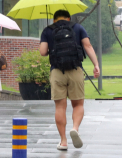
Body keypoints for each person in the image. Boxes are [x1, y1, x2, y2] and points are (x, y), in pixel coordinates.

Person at [39, 9, 100, 150]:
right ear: (68, 18)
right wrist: (96, 65)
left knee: (60, 106)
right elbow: (88, 46)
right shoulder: (77, 27)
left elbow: (43, 52)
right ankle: (75, 128)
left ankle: (63, 141)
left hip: (57, 71)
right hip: (75, 70)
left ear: (54, 19)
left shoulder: (48, 30)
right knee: (78, 104)